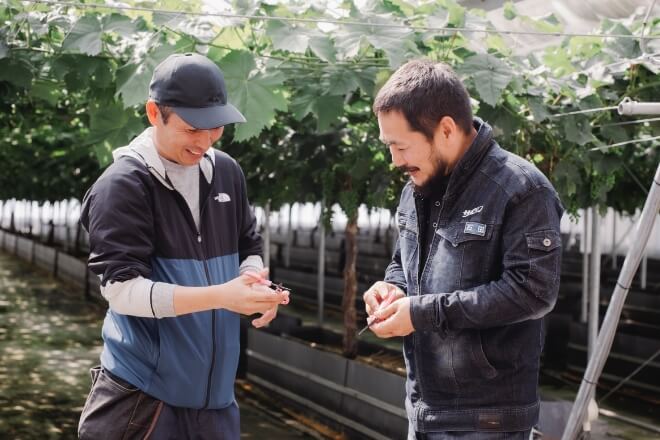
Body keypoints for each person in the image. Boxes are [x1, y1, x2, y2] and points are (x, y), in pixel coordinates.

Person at [78, 53, 288, 439]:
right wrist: (222, 296)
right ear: (155, 113)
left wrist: (251, 282)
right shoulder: (123, 186)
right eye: (193, 129)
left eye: (215, 128)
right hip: (144, 400)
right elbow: (122, 291)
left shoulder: (226, 171)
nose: (205, 142)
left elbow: (249, 244)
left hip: (216, 403)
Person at [363, 59, 563, 439]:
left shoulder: (520, 189)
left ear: (446, 129)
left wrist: (420, 313)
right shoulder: (416, 190)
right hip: (422, 410)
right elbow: (402, 264)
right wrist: (392, 290)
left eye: (400, 146)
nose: (395, 160)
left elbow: (532, 292)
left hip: (486, 421)